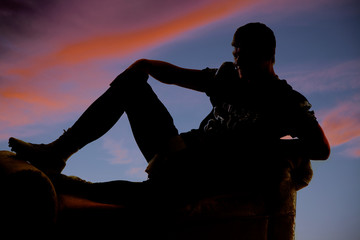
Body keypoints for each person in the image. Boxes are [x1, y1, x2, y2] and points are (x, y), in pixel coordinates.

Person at [8, 22, 330, 207]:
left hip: (204, 173)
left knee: (125, 197)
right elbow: (177, 75)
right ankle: (57, 153)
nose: (238, 63)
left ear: (268, 57)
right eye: (235, 53)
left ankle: (62, 183)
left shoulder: (287, 100)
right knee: (133, 84)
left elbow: (321, 149)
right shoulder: (229, 77)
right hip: (177, 149)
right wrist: (144, 64)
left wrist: (265, 148)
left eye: (245, 57)